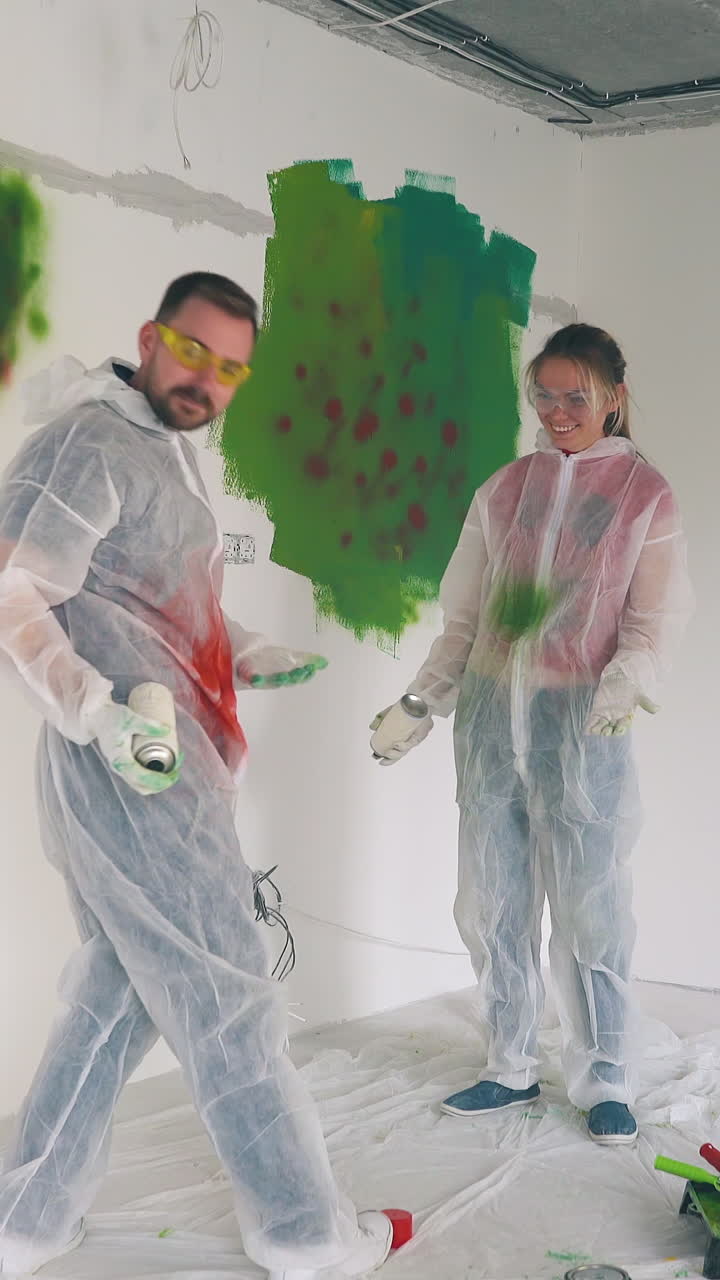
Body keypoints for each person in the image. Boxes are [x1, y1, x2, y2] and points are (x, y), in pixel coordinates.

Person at [0, 273, 393, 1280]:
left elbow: (149, 602)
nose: (206, 378)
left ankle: (26, 1217)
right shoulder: (92, 441)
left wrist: (244, 648)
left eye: (230, 367)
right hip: (134, 767)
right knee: (228, 991)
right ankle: (306, 1230)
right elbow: (15, 589)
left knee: (118, 990)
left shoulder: (159, 451)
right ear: (151, 336)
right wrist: (94, 710)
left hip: (161, 760)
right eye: (193, 350)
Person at [371, 323, 693, 1144]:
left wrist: (623, 688)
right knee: (493, 903)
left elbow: (651, 625)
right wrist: (421, 700)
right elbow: (466, 619)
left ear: (613, 397)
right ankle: (509, 1064)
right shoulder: (503, 490)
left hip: (582, 732)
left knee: (593, 912)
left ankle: (603, 1077)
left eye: (574, 396)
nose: (555, 410)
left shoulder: (642, 497)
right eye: (542, 394)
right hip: (488, 725)